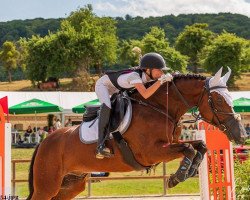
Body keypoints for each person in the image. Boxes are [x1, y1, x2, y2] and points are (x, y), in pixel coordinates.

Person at [94, 52, 173, 159]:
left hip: (118, 89)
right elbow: (145, 94)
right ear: (148, 70)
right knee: (107, 107)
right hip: (104, 86)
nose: (161, 72)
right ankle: (100, 145)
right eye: (159, 69)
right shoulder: (134, 76)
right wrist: (161, 81)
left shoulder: (147, 76)